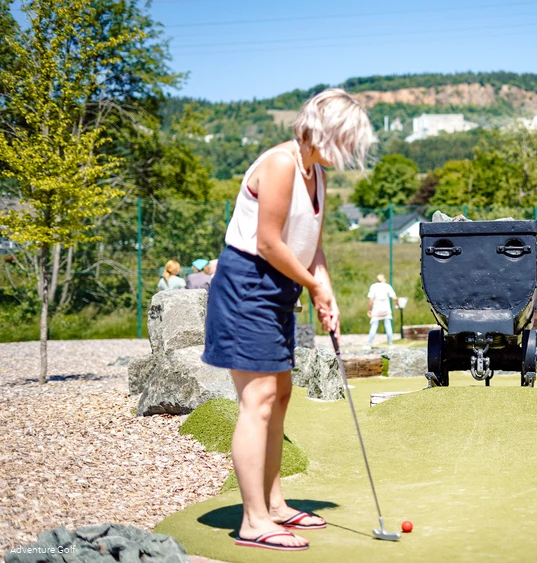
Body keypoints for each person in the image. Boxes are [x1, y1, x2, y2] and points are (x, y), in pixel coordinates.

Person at [201, 89, 373, 552]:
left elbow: (310, 245)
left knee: (280, 393)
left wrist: (326, 291)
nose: (352, 151)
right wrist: (313, 287)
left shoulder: (316, 172)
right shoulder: (280, 164)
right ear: (324, 131)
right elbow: (269, 244)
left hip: (279, 288)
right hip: (247, 285)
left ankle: (275, 505)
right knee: (257, 399)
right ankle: (253, 520)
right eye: (348, 139)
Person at [367, 273, 399, 347]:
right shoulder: (387, 286)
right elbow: (394, 297)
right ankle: (390, 344)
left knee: (374, 325)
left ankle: (369, 344)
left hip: (376, 308)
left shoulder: (373, 286)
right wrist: (397, 303)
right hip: (386, 308)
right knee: (388, 325)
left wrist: (369, 309)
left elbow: (371, 300)